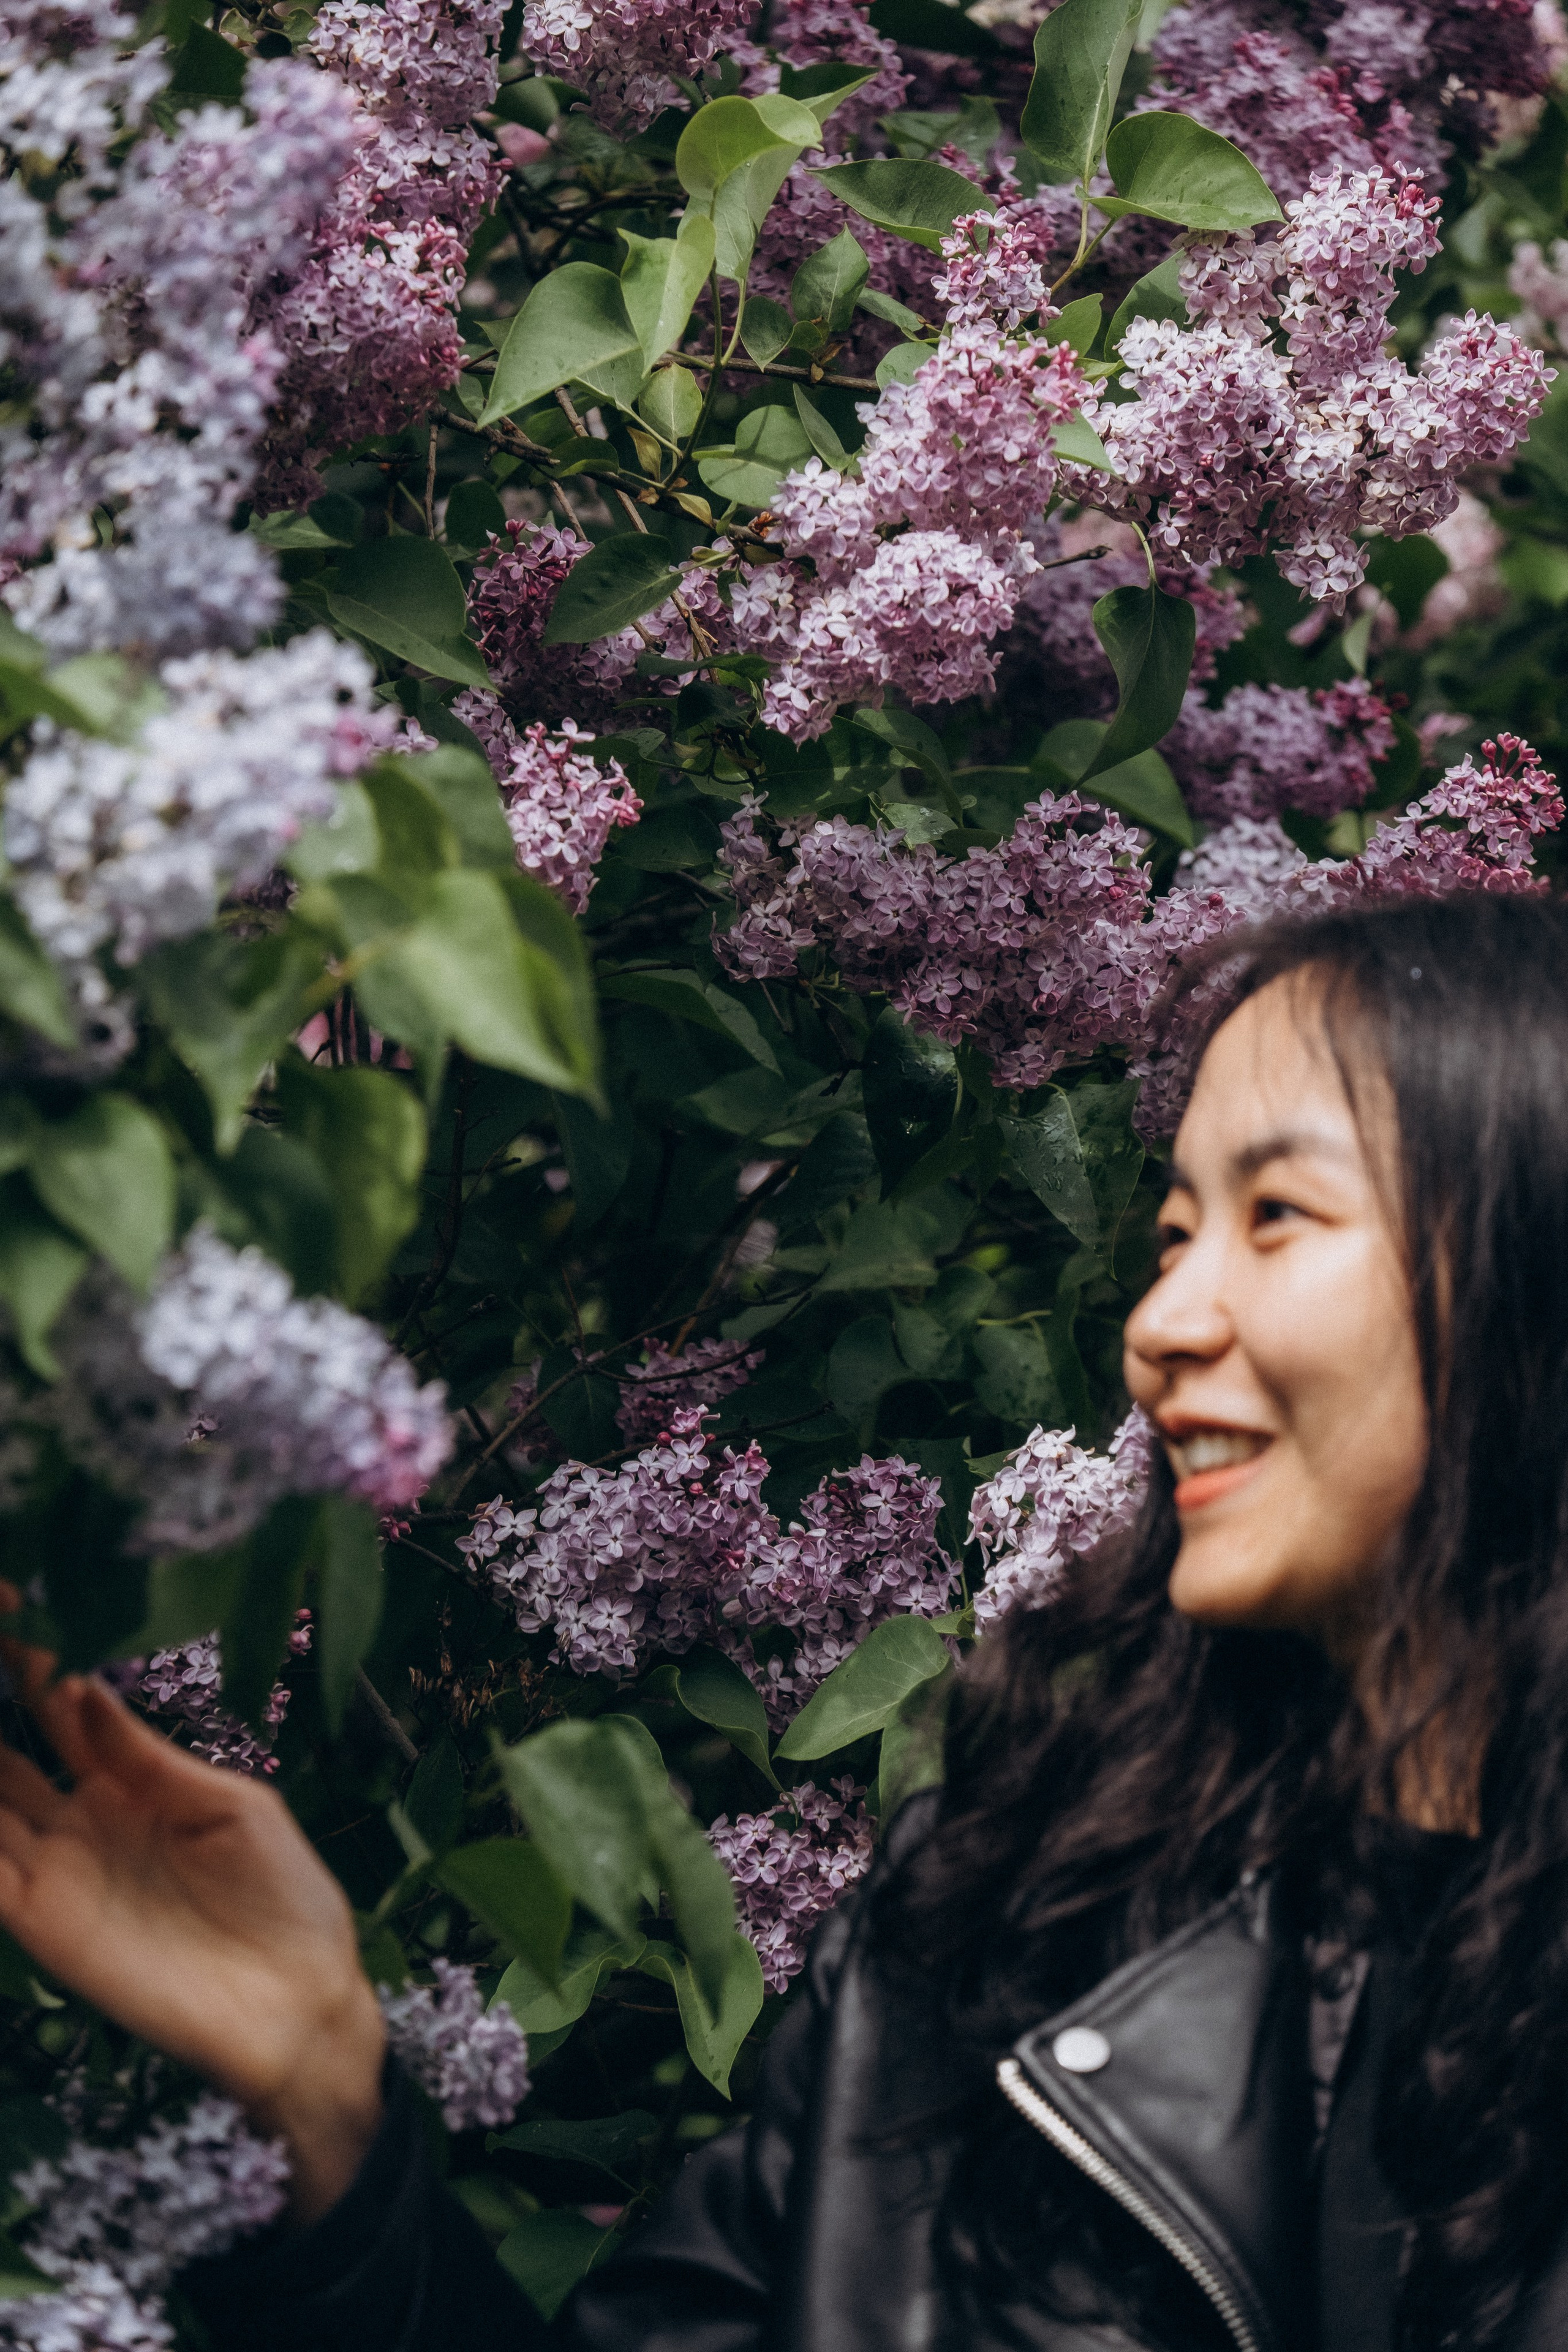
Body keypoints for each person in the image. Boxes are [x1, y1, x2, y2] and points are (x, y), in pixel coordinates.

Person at [5, 890, 1568, 2352]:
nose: (1160, 1325)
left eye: (1276, 1215)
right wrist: (321, 2082)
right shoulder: (1002, 1926)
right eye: (1168, 1235)